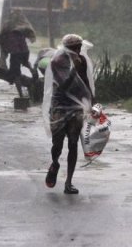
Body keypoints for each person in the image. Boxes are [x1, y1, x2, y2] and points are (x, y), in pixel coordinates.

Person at [42, 33, 95, 195]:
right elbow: (64, 84)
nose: (79, 50)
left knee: (73, 143)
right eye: (76, 48)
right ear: (68, 49)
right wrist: (73, 69)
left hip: (76, 107)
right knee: (57, 144)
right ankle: (55, 163)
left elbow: (86, 83)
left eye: (80, 47)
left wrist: (92, 103)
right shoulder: (57, 61)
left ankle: (69, 182)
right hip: (59, 106)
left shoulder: (82, 60)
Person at [0, 9, 37, 97]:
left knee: (16, 75)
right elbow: (30, 32)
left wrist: (4, 45)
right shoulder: (22, 25)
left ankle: (21, 96)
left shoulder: (8, 25)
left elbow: (0, 36)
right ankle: (33, 72)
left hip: (15, 53)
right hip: (25, 51)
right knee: (26, 63)